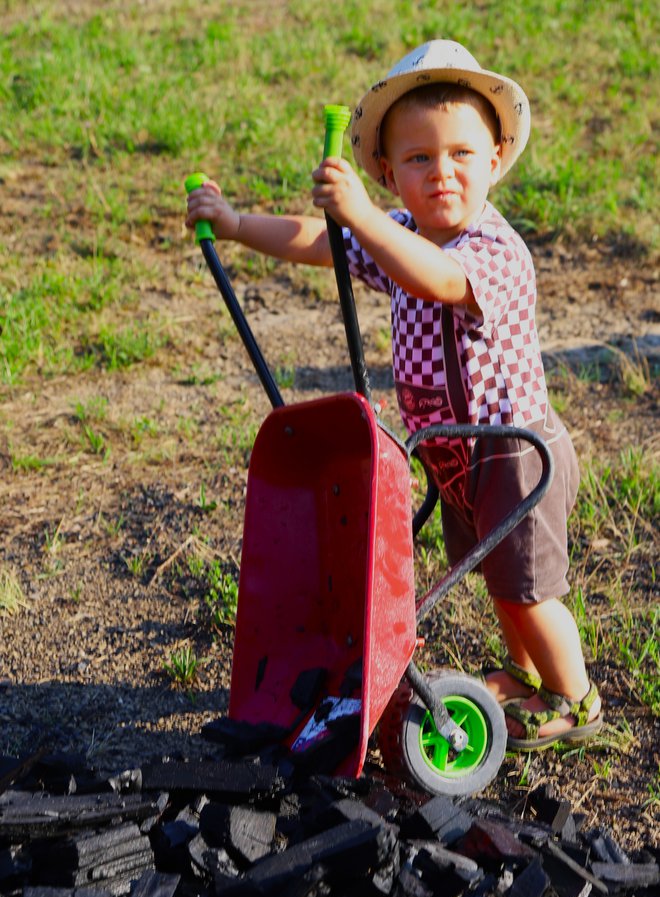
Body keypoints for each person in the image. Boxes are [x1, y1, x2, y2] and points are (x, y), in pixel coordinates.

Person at [186, 38, 603, 751]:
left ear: (496, 158)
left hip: (512, 451)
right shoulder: (398, 231)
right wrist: (236, 226)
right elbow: (323, 241)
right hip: (454, 457)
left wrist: (364, 218)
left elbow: (437, 279)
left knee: (531, 588)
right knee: (498, 581)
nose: (442, 172)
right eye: (418, 159)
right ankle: (526, 675)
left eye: (461, 155)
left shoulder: (495, 250)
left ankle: (576, 696)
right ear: (388, 173)